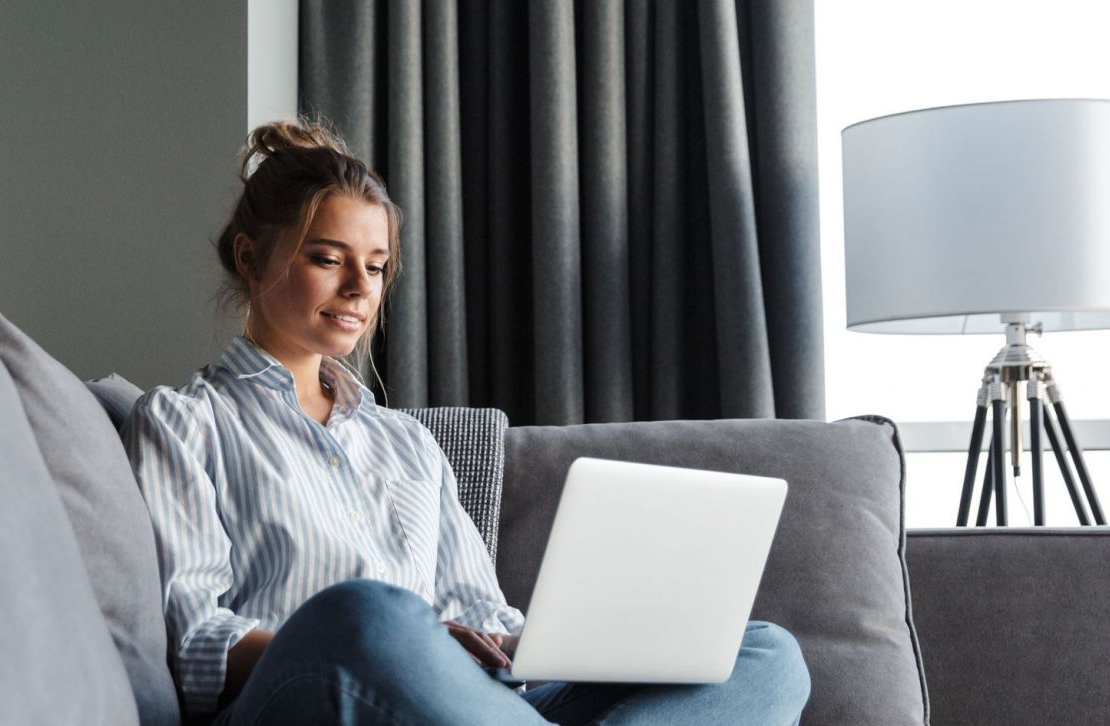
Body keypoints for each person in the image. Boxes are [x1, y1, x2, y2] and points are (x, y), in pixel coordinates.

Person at [123, 119, 811, 725]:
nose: (361, 289)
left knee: (767, 655)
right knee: (368, 613)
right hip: (316, 691)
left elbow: (480, 612)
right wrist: (409, 641)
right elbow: (196, 641)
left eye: (378, 266)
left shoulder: (407, 444)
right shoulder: (184, 424)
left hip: (460, 701)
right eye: (328, 259)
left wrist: (539, 645)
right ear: (250, 257)